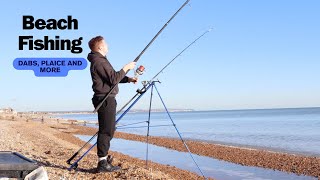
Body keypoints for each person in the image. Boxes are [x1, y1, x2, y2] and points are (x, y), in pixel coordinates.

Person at [87, 36, 137, 172]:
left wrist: (129, 79)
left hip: (106, 98)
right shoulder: (99, 61)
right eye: (105, 44)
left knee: (109, 129)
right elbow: (114, 77)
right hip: (105, 99)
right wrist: (126, 67)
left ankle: (103, 159)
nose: (108, 46)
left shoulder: (100, 60)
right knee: (106, 131)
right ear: (100, 47)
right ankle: (102, 163)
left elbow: (112, 78)